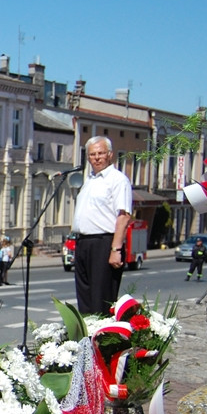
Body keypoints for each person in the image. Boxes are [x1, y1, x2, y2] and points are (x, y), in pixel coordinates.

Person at [72, 135, 132, 315]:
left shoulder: (117, 179)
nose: (96, 158)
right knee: (85, 297)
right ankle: (87, 338)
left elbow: (123, 216)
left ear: (110, 155)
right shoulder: (89, 180)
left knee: (101, 298)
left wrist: (116, 249)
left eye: (100, 153)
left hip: (103, 242)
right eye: (92, 154)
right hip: (83, 242)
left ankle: (102, 338)